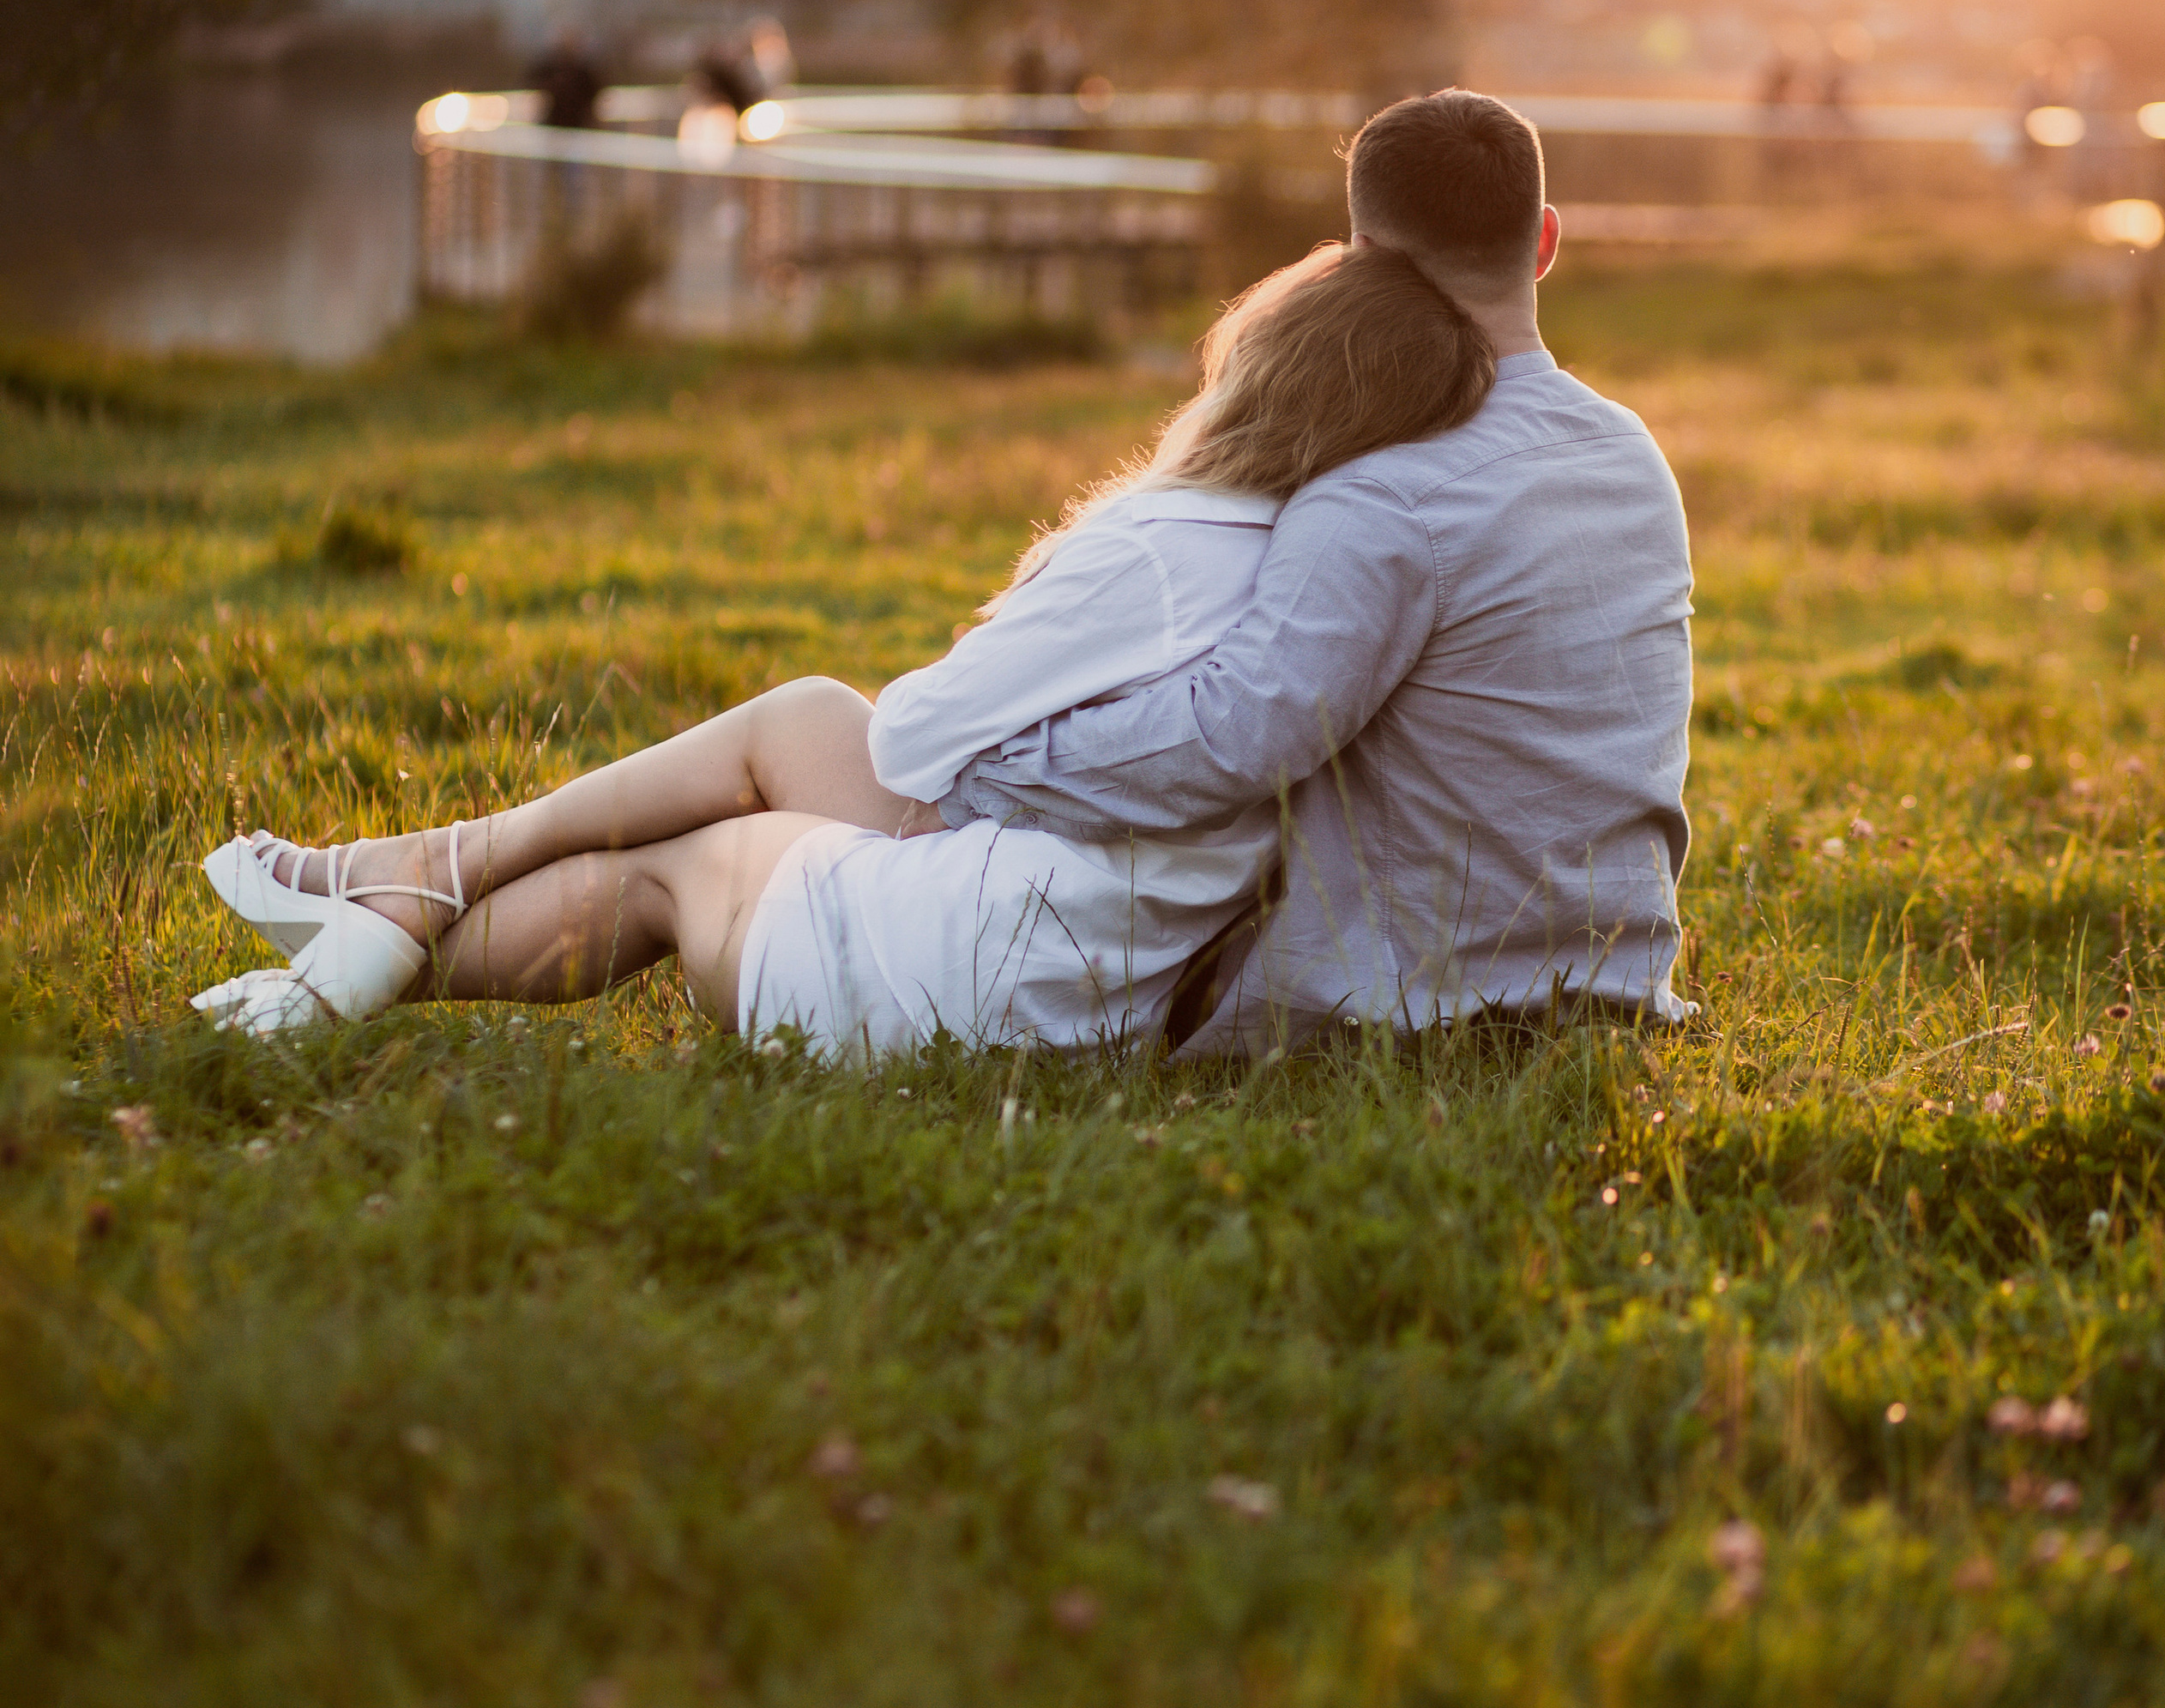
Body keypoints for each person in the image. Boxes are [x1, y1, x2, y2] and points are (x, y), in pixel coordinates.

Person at [190, 240, 1498, 1051]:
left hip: (995, 978)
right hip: (1104, 961)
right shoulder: (1315, 577)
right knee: (798, 715)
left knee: (677, 867)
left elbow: (923, 736)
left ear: (1260, 364)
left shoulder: (1165, 546)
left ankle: (382, 942)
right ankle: (424, 874)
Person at [938, 88, 1695, 1049]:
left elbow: (1234, 737)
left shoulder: (1383, 492)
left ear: (1361, 262)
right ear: (1545, 241)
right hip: (1611, 982)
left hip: (1413, 1009)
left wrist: (994, 761)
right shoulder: (1630, 455)